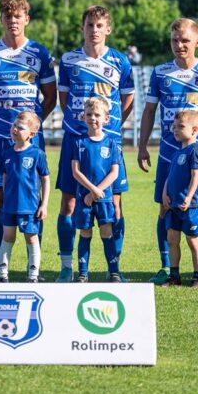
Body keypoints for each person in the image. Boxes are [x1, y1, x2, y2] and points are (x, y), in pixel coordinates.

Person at [138, 18, 198, 286]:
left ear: (197, 42)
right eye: (175, 40)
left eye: (185, 40)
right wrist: (142, 145)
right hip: (169, 155)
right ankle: (167, 267)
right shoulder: (160, 73)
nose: (179, 45)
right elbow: (149, 111)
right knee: (165, 208)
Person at [0, 0, 56, 281]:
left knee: (33, 202)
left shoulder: (40, 53)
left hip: (30, 143)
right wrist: (1, 123)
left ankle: (35, 268)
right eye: (8, 16)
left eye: (18, 16)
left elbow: (50, 97)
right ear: (1, 19)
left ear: (27, 19)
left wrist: (32, 126)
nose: (13, 21)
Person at [56, 5, 132, 283]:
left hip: (108, 142)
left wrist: (110, 128)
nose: (94, 30)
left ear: (108, 29)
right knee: (69, 202)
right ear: (83, 28)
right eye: (90, 25)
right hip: (75, 139)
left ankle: (114, 269)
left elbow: (127, 99)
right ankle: (67, 266)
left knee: (114, 204)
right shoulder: (69, 60)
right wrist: (80, 125)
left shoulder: (120, 61)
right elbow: (64, 99)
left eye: (100, 26)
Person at [71, 97, 122, 283]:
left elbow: (114, 172)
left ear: (106, 119)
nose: (93, 118)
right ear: (84, 117)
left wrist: (98, 191)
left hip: (104, 198)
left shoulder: (111, 143)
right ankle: (83, 273)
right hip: (84, 197)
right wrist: (92, 190)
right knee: (85, 233)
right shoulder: (79, 142)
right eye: (89, 114)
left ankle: (114, 272)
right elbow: (76, 171)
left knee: (106, 233)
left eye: (97, 115)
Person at [0, 111, 50, 283]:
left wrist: (44, 205)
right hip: (10, 206)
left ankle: (33, 275)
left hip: (29, 206)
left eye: (20, 127)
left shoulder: (37, 153)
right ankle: (3, 273)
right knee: (8, 236)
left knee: (31, 237)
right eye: (14, 125)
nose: (15, 129)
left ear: (31, 134)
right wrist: (5, 196)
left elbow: (45, 179)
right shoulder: (7, 152)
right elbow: (5, 177)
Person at [161, 110, 198, 288]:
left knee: (193, 240)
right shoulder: (177, 152)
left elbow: (196, 175)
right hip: (173, 205)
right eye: (174, 126)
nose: (175, 130)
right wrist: (164, 193)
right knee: (172, 239)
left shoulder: (195, 150)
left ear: (195, 130)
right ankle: (174, 276)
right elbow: (170, 176)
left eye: (180, 126)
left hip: (190, 206)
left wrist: (188, 197)